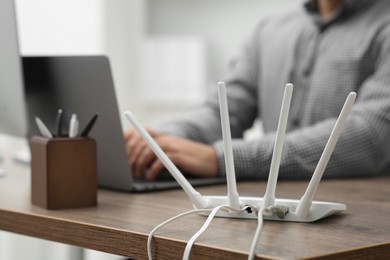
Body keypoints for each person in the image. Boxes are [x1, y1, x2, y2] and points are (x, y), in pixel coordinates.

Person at [124, 0, 390, 181]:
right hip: (267, 212)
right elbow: (224, 110)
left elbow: (372, 135)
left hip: (359, 225)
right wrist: (164, 139)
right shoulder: (270, 29)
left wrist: (225, 159)